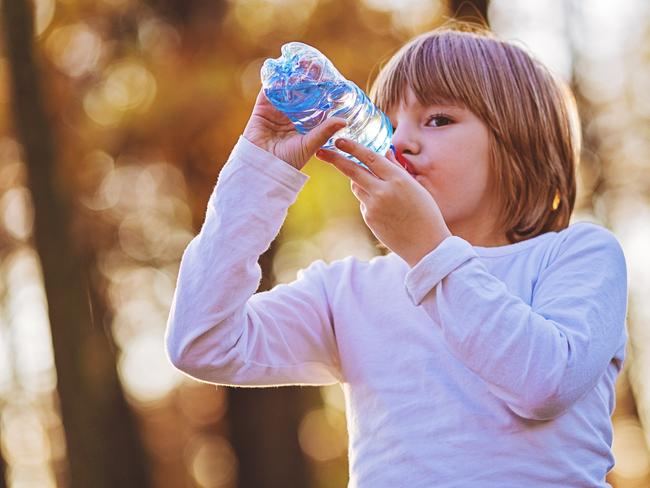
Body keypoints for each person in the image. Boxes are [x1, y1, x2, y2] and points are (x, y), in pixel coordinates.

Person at [165, 25, 628, 487]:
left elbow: (544, 383)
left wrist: (429, 250)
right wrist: (259, 170)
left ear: (520, 140)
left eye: (438, 120)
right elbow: (202, 342)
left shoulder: (577, 255)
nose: (398, 142)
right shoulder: (348, 292)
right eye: (387, 120)